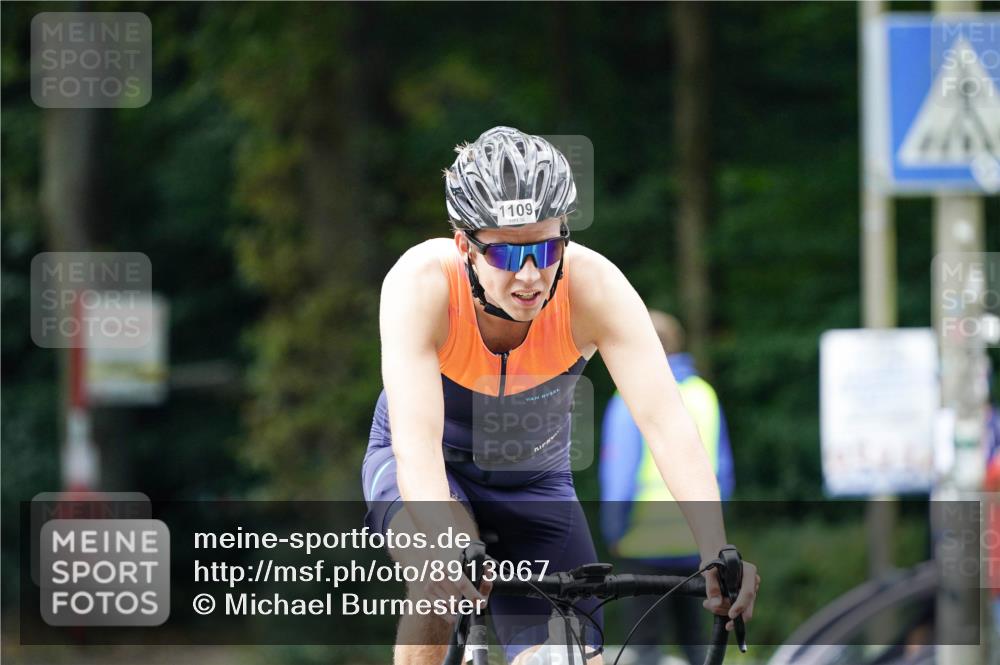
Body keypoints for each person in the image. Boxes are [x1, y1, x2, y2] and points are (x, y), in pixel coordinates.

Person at [361, 126, 758, 665]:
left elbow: (666, 421)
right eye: (507, 255)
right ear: (465, 247)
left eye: (547, 248)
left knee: (568, 657)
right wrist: (447, 549)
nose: (530, 275)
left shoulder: (593, 287)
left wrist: (715, 546)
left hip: (533, 479)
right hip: (430, 467)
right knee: (438, 579)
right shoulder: (421, 283)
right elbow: (417, 447)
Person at [600, 311, 734, 665]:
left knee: (644, 644)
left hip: (644, 543)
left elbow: (620, 475)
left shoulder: (630, 396)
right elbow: (723, 471)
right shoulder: (704, 394)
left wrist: (613, 529)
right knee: (697, 642)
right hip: (695, 544)